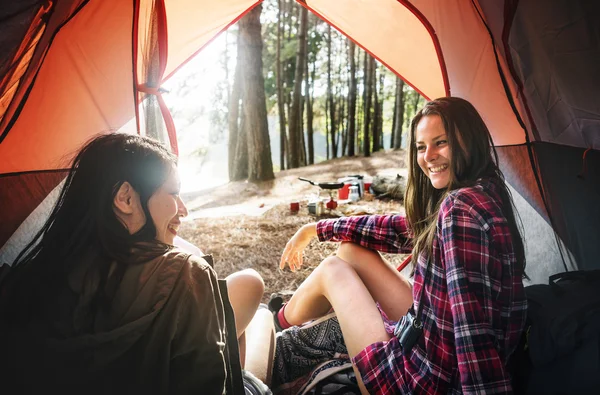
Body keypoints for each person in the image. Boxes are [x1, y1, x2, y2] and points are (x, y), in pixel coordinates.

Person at [275, 97, 527, 394]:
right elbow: (402, 230)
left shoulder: (460, 210)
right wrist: (318, 228)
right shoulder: (483, 189)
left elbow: (472, 331)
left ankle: (279, 326)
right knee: (351, 250)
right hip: (429, 339)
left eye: (441, 142)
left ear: (467, 140)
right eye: (421, 147)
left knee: (333, 269)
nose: (429, 156)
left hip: (420, 383)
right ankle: (289, 322)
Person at [0, 133, 272, 394]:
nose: (183, 209)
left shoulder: (32, 278)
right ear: (125, 198)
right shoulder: (187, 273)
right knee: (262, 319)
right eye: (173, 193)